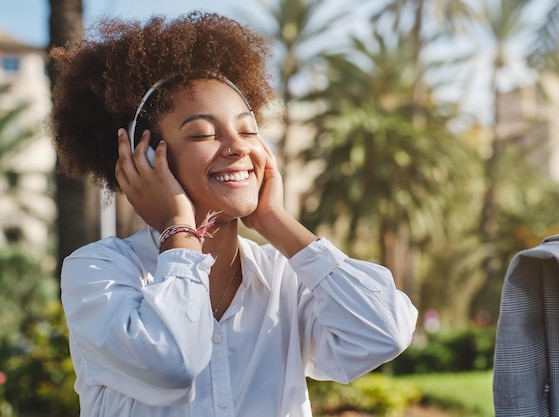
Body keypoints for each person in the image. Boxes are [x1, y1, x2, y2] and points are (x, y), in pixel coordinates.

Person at [49, 11, 418, 417]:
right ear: (146, 157)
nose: (237, 147)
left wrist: (274, 220)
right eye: (204, 133)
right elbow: (172, 365)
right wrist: (179, 227)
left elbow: (383, 332)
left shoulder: (285, 277)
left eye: (247, 129)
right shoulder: (98, 271)